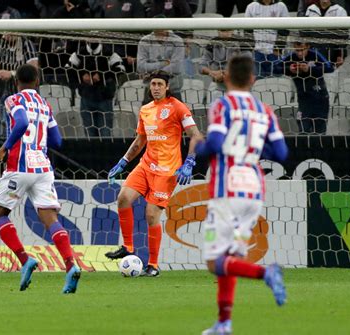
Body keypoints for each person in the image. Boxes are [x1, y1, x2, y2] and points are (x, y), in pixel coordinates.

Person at [195, 55, 288, 335]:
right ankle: (224, 323)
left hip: (228, 188)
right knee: (231, 256)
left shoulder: (222, 105)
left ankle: (266, 273)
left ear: (226, 77)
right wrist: (253, 150)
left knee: (215, 262)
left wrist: (197, 147)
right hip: (255, 188)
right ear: (252, 79)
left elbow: (214, 143)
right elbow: (282, 153)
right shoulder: (265, 110)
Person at [0, 63, 81, 293]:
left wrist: (4, 147)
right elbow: (57, 141)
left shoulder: (13, 100)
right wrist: (38, 142)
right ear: (37, 82)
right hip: (42, 167)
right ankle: (70, 265)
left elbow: (20, 122)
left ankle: (25, 260)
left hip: (19, 166)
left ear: (16, 82)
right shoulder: (45, 105)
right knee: (50, 218)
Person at [105, 70, 203, 276]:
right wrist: (123, 161)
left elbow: (196, 135)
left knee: (151, 215)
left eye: (160, 84)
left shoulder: (177, 107)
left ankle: (153, 265)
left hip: (167, 171)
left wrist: (190, 161)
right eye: (153, 84)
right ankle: (128, 248)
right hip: (145, 166)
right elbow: (140, 140)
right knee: (123, 198)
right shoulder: (145, 110)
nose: (156, 87)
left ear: (167, 87)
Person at [274, 40, 334, 134]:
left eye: (302, 50)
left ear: (308, 46)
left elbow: (330, 68)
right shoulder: (291, 57)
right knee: (303, 129)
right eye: (297, 50)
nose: (300, 53)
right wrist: (288, 69)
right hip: (303, 99)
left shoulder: (315, 55)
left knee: (320, 131)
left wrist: (309, 69)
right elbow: (275, 68)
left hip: (320, 98)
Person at [137, 26, 185, 103]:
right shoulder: (145, 41)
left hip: (172, 89)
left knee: (178, 114)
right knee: (147, 114)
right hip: (151, 90)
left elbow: (176, 67)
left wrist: (154, 73)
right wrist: (163, 64)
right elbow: (140, 67)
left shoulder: (177, 41)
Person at [245, 0, 289, 78]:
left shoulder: (281, 6)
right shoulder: (251, 7)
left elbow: (284, 30)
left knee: (276, 80)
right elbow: (247, 31)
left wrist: (278, 48)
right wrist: (252, 48)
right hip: (257, 52)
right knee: (258, 81)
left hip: (275, 52)